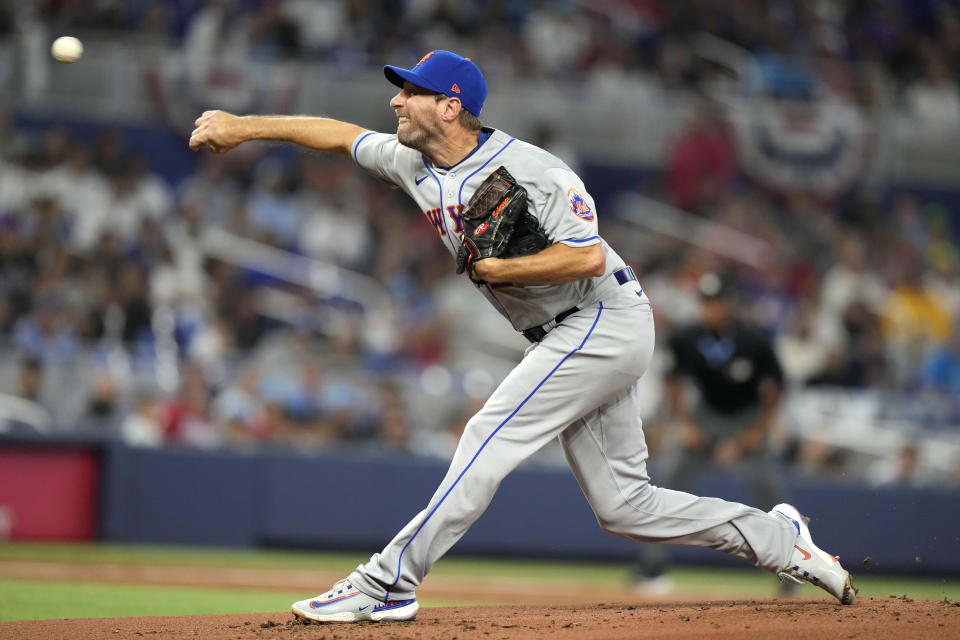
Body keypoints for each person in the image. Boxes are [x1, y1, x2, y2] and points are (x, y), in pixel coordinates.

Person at [189, 49, 856, 624]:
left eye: (410, 91)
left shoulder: (534, 170)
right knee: (626, 506)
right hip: (562, 333)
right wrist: (242, 127)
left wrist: (503, 266)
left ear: (450, 107)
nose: (396, 100)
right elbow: (336, 135)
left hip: (604, 318)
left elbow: (588, 256)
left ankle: (385, 584)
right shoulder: (412, 163)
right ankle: (777, 539)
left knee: (487, 434)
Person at [633, 271, 788, 591]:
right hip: (706, 417)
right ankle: (652, 566)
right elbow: (672, 381)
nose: (709, 308)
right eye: (705, 301)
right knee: (671, 481)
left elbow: (776, 387)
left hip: (746, 416)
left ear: (729, 304)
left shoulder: (752, 339)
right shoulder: (687, 337)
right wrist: (687, 423)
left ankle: (790, 571)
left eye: (715, 302)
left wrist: (759, 430)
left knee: (770, 488)